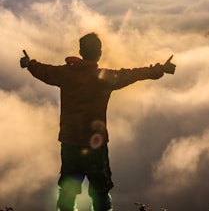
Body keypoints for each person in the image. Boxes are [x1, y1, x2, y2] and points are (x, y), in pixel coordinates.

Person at [20, 32, 176, 211]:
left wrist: (28, 63)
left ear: (80, 51)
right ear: (99, 53)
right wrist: (160, 69)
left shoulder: (65, 74)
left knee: (68, 191)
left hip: (70, 143)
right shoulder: (103, 78)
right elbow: (133, 74)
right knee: (100, 192)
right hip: (95, 145)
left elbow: (43, 70)